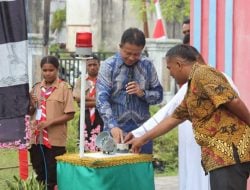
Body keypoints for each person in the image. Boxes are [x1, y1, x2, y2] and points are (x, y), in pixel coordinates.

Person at [126, 44, 250, 190]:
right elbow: (173, 118)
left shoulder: (203, 73)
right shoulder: (192, 89)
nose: (170, 74)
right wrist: (142, 139)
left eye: (169, 68)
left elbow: (233, 100)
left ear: (179, 64)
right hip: (220, 158)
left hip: (229, 153)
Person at [96, 27, 163, 153]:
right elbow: (101, 100)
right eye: (128, 53)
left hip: (142, 131)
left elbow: (159, 95)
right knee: (114, 170)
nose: (132, 58)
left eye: (136, 54)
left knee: (140, 170)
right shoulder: (108, 65)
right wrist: (112, 126)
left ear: (142, 50)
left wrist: (143, 93)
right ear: (120, 47)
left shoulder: (148, 65)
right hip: (115, 129)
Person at [29, 56, 75, 190]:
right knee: (40, 174)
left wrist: (50, 122)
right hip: (37, 140)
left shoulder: (64, 88)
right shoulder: (36, 88)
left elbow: (70, 114)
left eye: (51, 70)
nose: (48, 73)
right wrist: (31, 103)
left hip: (55, 140)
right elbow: (31, 111)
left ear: (57, 70)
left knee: (53, 175)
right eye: (45, 70)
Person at [73, 54, 103, 151]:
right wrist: (97, 101)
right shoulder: (81, 80)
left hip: (101, 115)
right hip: (85, 115)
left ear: (99, 65)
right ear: (85, 66)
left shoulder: (104, 80)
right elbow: (76, 97)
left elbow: (107, 100)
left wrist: (85, 99)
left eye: (95, 64)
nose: (92, 67)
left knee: (101, 142)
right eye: (89, 65)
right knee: (84, 142)